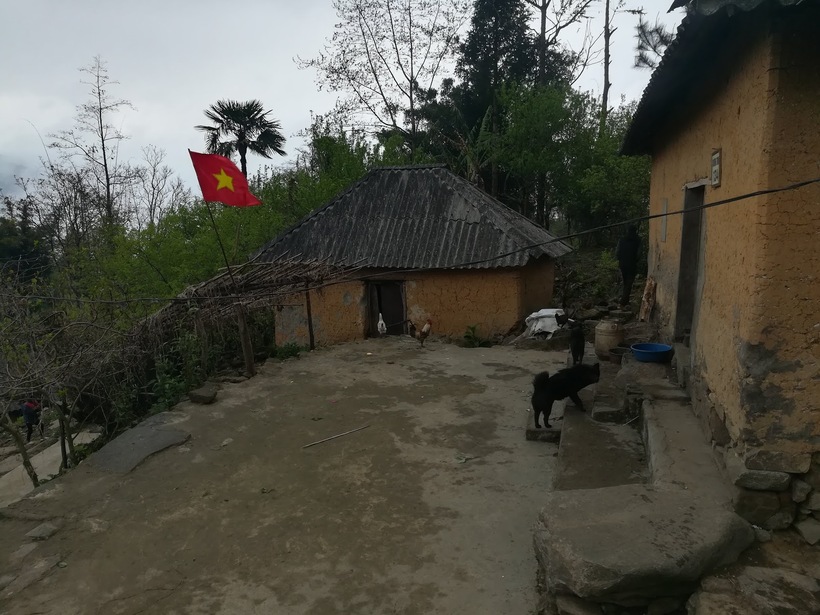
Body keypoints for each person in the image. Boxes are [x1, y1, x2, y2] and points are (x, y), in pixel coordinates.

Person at [616, 225, 641, 308]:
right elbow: (638, 254)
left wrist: (620, 259)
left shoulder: (621, 239)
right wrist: (635, 260)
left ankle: (625, 301)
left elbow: (617, 252)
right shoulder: (637, 240)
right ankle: (623, 302)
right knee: (629, 283)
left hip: (622, 264)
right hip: (632, 264)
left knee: (625, 282)